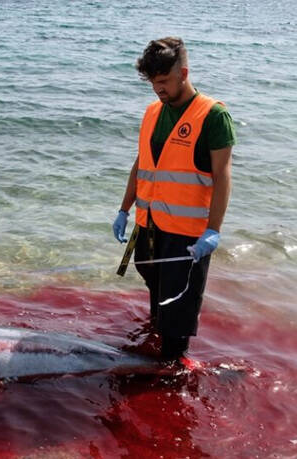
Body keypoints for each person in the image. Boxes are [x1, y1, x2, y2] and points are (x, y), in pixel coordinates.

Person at [112, 37, 236, 361]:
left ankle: (172, 369)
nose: (158, 89)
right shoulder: (153, 111)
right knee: (155, 290)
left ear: (184, 72)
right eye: (153, 82)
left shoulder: (213, 116)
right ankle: (156, 345)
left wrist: (214, 230)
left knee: (176, 314)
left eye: (164, 81)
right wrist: (124, 209)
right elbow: (142, 164)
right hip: (149, 223)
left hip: (187, 235)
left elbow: (223, 176)